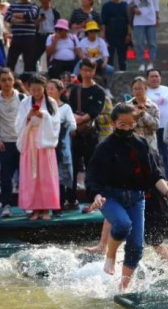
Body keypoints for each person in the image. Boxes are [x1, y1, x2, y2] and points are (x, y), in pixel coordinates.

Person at [86, 103, 168, 289]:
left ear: (135, 123)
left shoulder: (141, 144)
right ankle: (110, 254)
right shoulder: (104, 147)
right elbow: (92, 176)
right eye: (121, 124)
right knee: (123, 224)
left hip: (137, 198)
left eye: (130, 124)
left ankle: (123, 288)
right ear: (113, 122)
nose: (126, 128)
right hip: (110, 197)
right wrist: (96, 195)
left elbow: (154, 174)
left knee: (136, 247)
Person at [15, 74, 60, 220]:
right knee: (31, 176)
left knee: (45, 175)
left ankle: (46, 208)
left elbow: (56, 122)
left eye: (39, 90)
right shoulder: (25, 102)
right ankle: (34, 209)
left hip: (45, 142)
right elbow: (18, 122)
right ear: (29, 88)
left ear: (44, 88)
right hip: (30, 141)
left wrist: (44, 116)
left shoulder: (51, 102)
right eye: (33, 90)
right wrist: (28, 116)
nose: (36, 93)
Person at [67, 58, 106, 207]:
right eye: (84, 70)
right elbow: (69, 109)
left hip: (90, 133)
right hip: (75, 134)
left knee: (91, 166)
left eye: (90, 70)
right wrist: (73, 124)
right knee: (73, 166)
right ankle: (71, 199)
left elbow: (94, 112)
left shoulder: (98, 91)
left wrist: (78, 121)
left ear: (94, 71)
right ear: (80, 71)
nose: (87, 73)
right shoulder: (75, 90)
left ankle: (91, 199)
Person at [0, 68, 24, 218]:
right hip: (5, 143)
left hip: (22, 142)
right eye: (3, 80)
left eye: (9, 79)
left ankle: (27, 205)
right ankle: (6, 204)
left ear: (14, 81)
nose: (7, 82)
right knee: (6, 176)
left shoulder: (23, 98)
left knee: (25, 176)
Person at [46, 79, 76, 212]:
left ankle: (62, 201)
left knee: (62, 173)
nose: (49, 91)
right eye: (48, 88)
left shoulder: (65, 107)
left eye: (52, 89)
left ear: (60, 91)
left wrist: (62, 128)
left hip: (61, 144)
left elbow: (73, 124)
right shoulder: (43, 106)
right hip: (46, 144)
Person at [128, 0, 160, 72]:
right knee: (140, 43)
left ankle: (151, 62)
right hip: (138, 21)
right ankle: (141, 63)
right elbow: (129, 4)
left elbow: (155, 5)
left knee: (152, 43)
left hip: (150, 20)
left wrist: (157, 17)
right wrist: (134, 9)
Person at [4, 0, 39, 72]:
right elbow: (7, 17)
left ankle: (27, 81)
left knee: (29, 62)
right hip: (16, 37)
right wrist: (23, 19)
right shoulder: (13, 6)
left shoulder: (33, 6)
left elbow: (31, 15)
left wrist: (15, 16)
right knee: (11, 61)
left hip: (29, 37)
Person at [101, 0, 130, 71]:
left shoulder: (125, 5)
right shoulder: (106, 6)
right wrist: (103, 38)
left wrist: (129, 35)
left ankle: (124, 75)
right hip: (110, 35)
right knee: (110, 58)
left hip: (123, 35)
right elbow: (103, 23)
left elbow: (129, 21)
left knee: (122, 59)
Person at [126, 76, 160, 151]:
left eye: (140, 88)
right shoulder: (127, 106)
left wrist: (144, 114)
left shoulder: (152, 106)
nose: (137, 91)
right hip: (132, 145)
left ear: (146, 89)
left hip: (149, 145)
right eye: (135, 89)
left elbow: (156, 126)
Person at [34, 0, 61, 68]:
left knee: (50, 56)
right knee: (35, 56)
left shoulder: (55, 12)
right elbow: (33, 25)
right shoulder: (37, 11)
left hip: (51, 35)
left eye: (46, 1)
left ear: (49, 0)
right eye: (42, 1)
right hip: (40, 35)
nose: (44, 3)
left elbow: (58, 25)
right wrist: (39, 20)